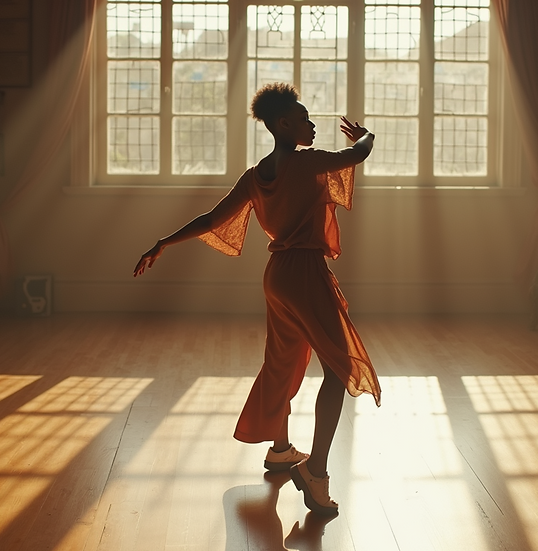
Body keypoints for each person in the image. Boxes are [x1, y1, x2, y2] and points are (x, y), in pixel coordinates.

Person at [134, 83, 381, 515]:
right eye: (304, 118)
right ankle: (316, 474)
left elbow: (212, 218)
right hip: (304, 273)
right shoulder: (308, 165)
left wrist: (163, 242)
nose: (311, 124)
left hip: (277, 277)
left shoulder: (255, 176)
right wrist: (366, 135)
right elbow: (357, 155)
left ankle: (281, 450)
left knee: (282, 362)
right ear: (283, 123)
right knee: (339, 371)